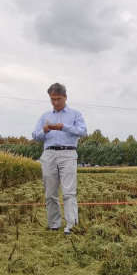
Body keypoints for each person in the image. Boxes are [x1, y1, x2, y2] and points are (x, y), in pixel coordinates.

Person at [32, 83, 88, 235]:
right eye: (52, 99)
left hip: (68, 153)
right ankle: (53, 224)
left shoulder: (75, 114)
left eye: (58, 99)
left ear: (65, 97)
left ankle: (71, 225)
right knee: (50, 192)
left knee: (69, 192)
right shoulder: (45, 116)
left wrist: (64, 127)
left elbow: (83, 132)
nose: (55, 102)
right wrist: (44, 130)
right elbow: (35, 135)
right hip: (49, 154)